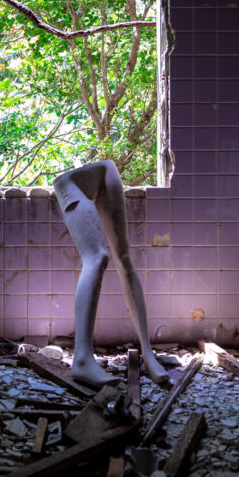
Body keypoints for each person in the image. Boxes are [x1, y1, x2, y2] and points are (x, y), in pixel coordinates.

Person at [52, 160, 170, 387]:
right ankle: (83, 358)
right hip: (71, 185)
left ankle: (148, 354)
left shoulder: (106, 171)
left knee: (124, 259)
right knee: (97, 257)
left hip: (107, 173)